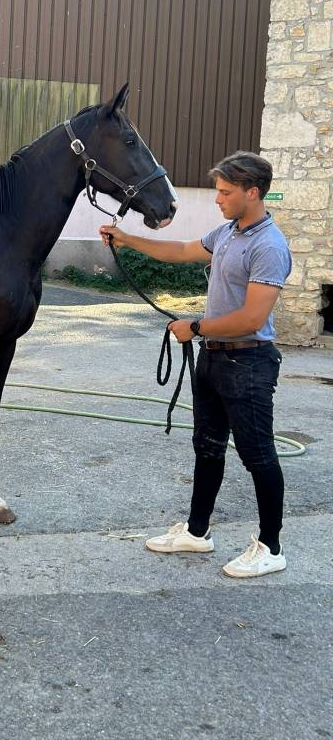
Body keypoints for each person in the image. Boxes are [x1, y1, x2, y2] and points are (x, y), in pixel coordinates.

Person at [100, 151, 292, 578]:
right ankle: (197, 531)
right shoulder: (227, 233)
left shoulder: (269, 245)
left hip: (249, 363)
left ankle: (271, 547)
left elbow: (253, 318)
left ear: (252, 192)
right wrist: (127, 238)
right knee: (206, 448)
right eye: (217, 191)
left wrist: (197, 326)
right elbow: (183, 250)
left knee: (258, 455)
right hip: (213, 362)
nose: (218, 199)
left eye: (225, 192)